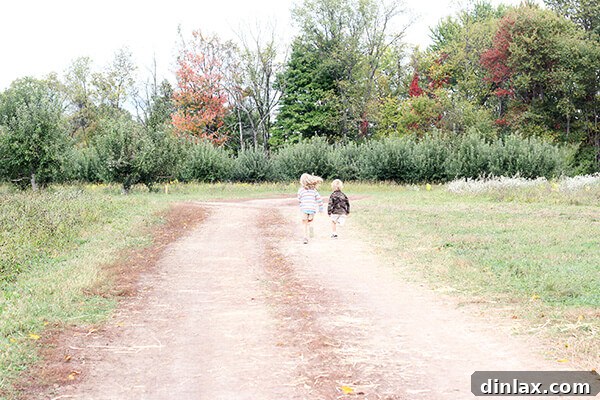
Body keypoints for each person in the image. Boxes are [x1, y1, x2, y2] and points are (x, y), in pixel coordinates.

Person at [298, 173, 324, 244]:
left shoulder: (301, 190)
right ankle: (311, 234)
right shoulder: (314, 190)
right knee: (310, 222)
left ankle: (305, 237)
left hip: (304, 209)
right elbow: (319, 200)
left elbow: (299, 200)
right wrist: (321, 209)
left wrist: (300, 206)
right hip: (312, 209)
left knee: (304, 223)